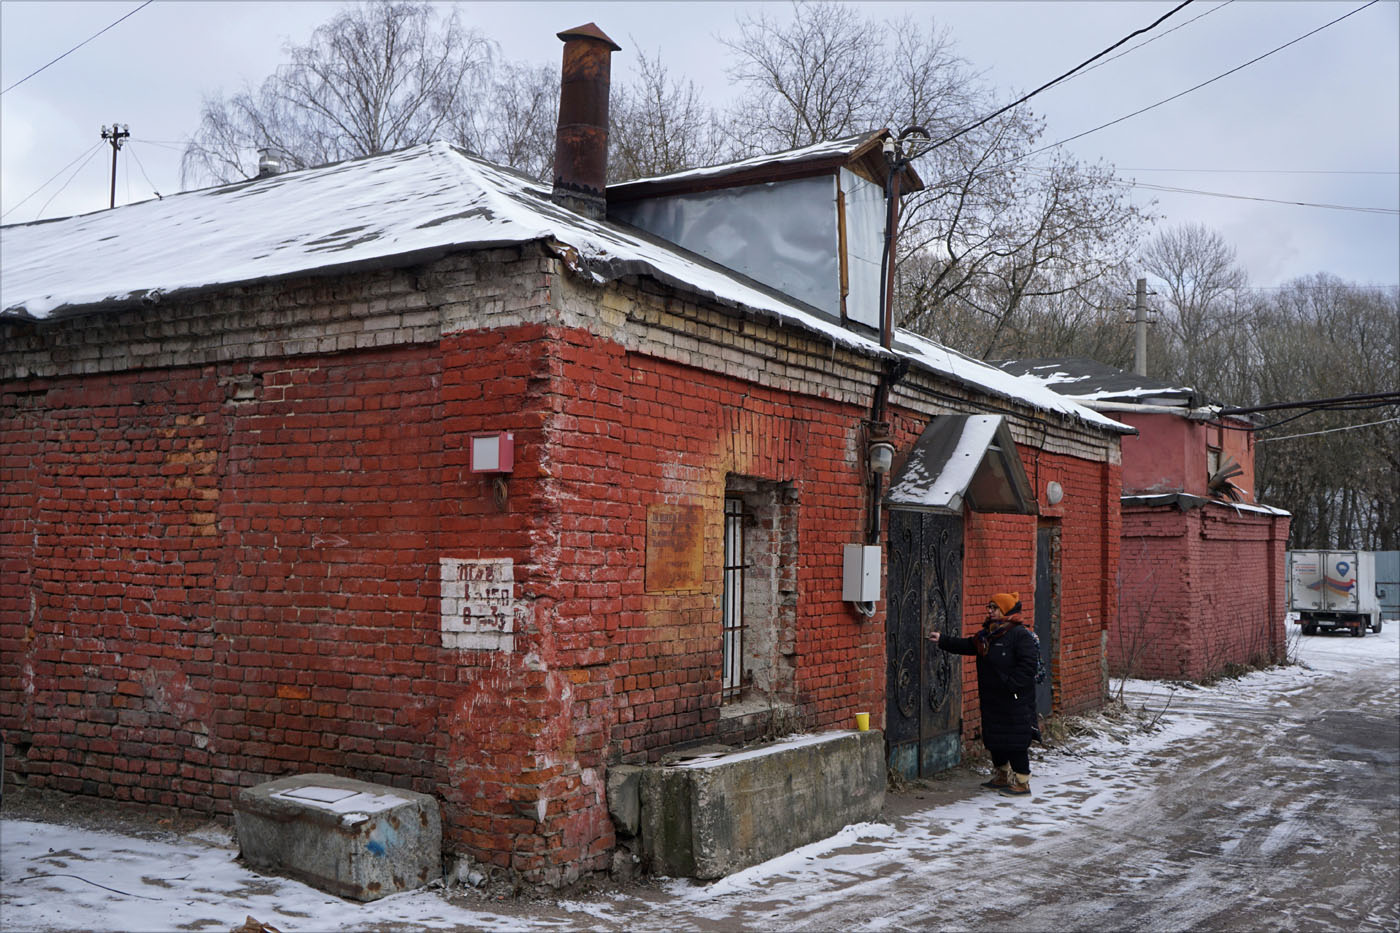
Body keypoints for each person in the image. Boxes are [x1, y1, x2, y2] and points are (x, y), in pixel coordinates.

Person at [929, 592, 1039, 796]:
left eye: (994, 607)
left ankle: (1022, 782)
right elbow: (968, 646)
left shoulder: (1019, 635)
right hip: (992, 697)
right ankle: (1001, 775)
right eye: (989, 607)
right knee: (995, 737)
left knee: (1015, 738)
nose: (989, 610)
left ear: (1005, 610)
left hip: (1013, 698)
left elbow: (1028, 666)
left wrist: (1011, 686)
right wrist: (942, 640)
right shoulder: (987, 635)